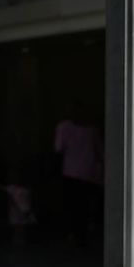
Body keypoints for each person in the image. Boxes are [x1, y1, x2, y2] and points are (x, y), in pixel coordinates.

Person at [53, 101, 104, 247]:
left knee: (75, 206)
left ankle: (76, 235)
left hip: (76, 173)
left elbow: (58, 148)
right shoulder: (87, 130)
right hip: (83, 173)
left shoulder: (69, 128)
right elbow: (100, 153)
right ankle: (78, 235)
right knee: (81, 206)